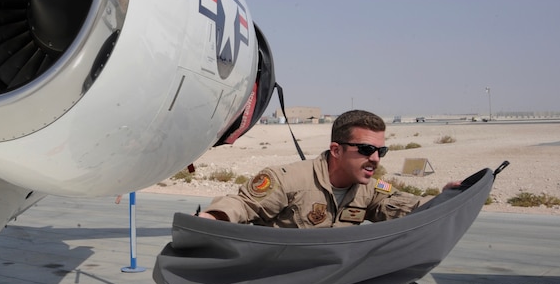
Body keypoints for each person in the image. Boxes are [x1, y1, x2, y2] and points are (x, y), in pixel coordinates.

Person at [198, 109, 461, 228]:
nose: (376, 159)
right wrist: (212, 219)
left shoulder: (369, 190)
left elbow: (406, 208)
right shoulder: (286, 180)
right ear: (336, 150)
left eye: (380, 151)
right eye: (366, 150)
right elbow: (243, 205)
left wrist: (445, 199)